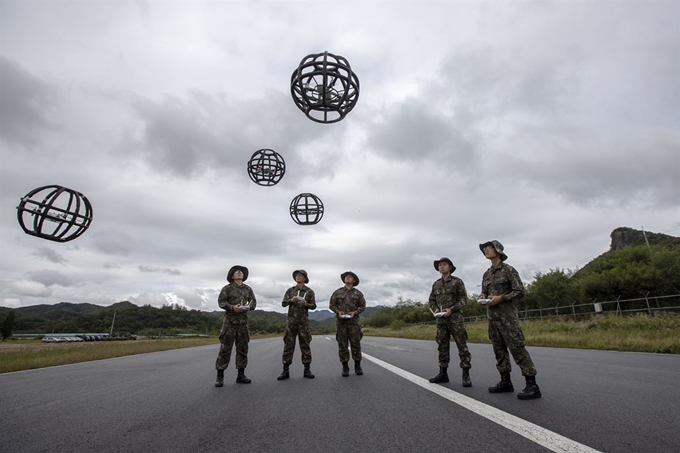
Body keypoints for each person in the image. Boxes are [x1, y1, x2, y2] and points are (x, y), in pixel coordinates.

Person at [480, 240, 541, 399]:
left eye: (489, 247)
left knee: (517, 348)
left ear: (498, 250)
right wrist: (483, 298)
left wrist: (502, 298)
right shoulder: (486, 274)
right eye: (485, 249)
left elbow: (519, 291)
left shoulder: (508, 270)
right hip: (493, 318)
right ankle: (505, 381)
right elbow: (485, 293)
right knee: (498, 350)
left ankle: (532, 384)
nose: (486, 250)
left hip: (508, 318)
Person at [427, 257, 472, 387]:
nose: (442, 267)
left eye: (444, 265)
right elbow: (431, 300)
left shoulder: (457, 282)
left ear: (450, 267)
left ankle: (466, 374)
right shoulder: (436, 284)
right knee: (442, 346)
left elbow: (463, 300)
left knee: (462, 346)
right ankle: (443, 373)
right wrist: (435, 309)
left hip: (455, 320)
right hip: (441, 321)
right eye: (440, 265)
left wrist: (451, 309)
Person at [214, 265, 257, 387]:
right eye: (236, 272)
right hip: (229, 323)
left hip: (243, 323)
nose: (239, 273)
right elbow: (221, 302)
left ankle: (241, 375)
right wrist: (232, 308)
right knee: (225, 349)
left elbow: (254, 301)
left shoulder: (248, 289)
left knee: (243, 348)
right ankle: (220, 376)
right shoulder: (227, 288)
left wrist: (249, 307)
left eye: (241, 272)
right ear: (232, 276)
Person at [277, 269, 317, 380]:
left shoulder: (309, 291)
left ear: (305, 278)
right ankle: (285, 371)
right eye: (297, 275)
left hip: (303, 322)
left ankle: (307, 370)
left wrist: (306, 304)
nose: (298, 277)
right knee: (288, 346)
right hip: (291, 322)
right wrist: (291, 300)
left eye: (301, 275)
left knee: (305, 345)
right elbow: (283, 303)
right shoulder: (290, 291)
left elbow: (313, 306)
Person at [329, 271, 366, 377]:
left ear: (354, 281)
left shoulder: (358, 293)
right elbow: (331, 305)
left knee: (356, 345)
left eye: (350, 277)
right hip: (341, 323)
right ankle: (345, 367)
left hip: (354, 323)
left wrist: (355, 312)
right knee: (342, 346)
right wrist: (338, 311)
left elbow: (362, 306)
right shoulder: (337, 292)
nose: (348, 278)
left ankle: (357, 366)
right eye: (346, 276)